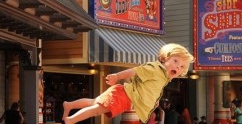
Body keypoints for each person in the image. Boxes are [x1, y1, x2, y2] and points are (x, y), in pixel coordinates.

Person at [62, 43, 194, 124]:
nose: (178, 67)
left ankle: (69, 105)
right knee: (97, 110)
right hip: (124, 95)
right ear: (165, 59)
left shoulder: (163, 77)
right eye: (176, 61)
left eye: (182, 66)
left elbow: (150, 89)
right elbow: (135, 71)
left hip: (125, 95)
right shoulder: (155, 69)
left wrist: (154, 101)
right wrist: (117, 76)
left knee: (94, 102)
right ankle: (70, 120)